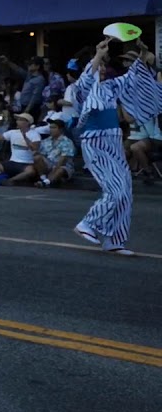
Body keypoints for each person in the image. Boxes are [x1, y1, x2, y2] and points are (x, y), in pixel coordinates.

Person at [70, 39, 158, 256]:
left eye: (102, 65)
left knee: (126, 190)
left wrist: (142, 54)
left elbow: (132, 77)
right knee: (116, 189)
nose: (101, 68)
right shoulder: (82, 89)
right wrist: (98, 54)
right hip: (95, 142)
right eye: (98, 65)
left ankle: (114, 239)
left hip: (114, 141)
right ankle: (87, 223)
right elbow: (84, 83)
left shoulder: (110, 86)